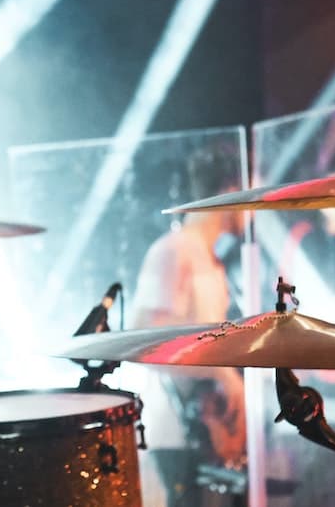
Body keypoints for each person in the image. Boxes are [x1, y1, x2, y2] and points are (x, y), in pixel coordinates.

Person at [127, 147, 247, 507]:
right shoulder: (172, 250)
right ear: (231, 189)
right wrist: (221, 373)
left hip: (204, 426)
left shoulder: (210, 258)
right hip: (175, 428)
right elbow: (143, 339)